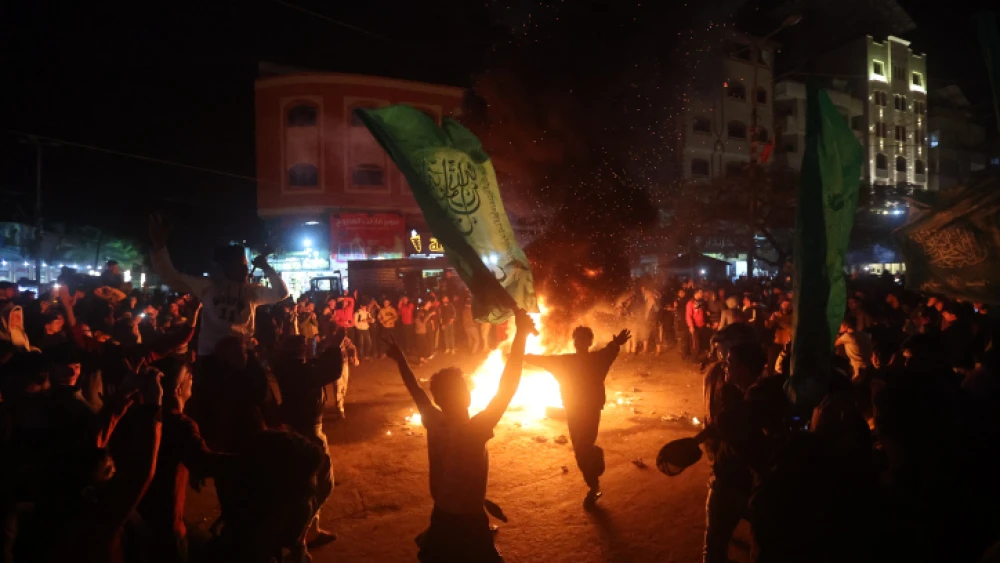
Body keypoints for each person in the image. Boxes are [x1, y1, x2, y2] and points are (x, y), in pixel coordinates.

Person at [386, 310, 534, 563]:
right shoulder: (474, 429)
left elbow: (414, 388)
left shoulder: (434, 419)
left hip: (442, 512)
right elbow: (508, 386)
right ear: (465, 396)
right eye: (466, 387)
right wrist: (521, 335)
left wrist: (400, 358)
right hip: (468, 518)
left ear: (439, 399)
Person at [148, 215, 288, 359]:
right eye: (241, 266)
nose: (246, 270)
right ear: (226, 267)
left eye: (246, 266)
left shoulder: (251, 290)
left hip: (241, 355)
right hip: (212, 357)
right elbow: (172, 278)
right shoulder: (208, 285)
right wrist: (159, 247)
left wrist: (266, 267)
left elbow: (281, 293)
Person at [525, 326, 632, 507]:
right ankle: (593, 477)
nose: (580, 342)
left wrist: (616, 343)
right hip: (580, 410)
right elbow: (610, 350)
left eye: (581, 339)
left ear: (582, 342)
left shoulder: (574, 361)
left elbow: (541, 360)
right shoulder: (591, 360)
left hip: (584, 410)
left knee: (582, 449)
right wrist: (616, 342)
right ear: (579, 342)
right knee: (582, 448)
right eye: (579, 339)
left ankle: (594, 483)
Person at [138, 356, 230, 563]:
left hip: (142, 513)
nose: (193, 379)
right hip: (167, 521)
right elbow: (204, 462)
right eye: (189, 377)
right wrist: (251, 460)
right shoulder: (180, 424)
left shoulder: (144, 416)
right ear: (178, 389)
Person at [272, 334, 345, 556]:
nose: (307, 349)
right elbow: (331, 370)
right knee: (323, 484)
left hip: (296, 428)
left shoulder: (286, 367)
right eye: (303, 347)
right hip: (309, 432)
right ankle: (300, 535)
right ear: (298, 352)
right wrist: (334, 346)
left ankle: (310, 530)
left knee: (308, 485)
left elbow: (318, 366)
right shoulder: (301, 372)